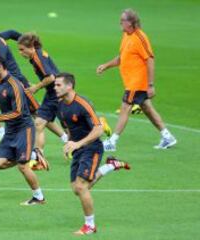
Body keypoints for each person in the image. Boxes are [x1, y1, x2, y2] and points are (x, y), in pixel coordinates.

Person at [0, 29, 65, 157]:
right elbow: (12, 33)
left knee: (38, 114)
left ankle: (65, 138)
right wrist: (26, 42)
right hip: (1, 84)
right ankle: (1, 134)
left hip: (16, 84)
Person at [54, 73, 130, 235]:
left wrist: (78, 144)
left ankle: (90, 225)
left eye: (58, 85)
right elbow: (69, 128)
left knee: (81, 187)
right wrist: (69, 143)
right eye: (55, 85)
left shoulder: (82, 104)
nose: (55, 88)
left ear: (69, 86)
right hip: (78, 148)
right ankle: (110, 166)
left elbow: (99, 129)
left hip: (92, 147)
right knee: (77, 188)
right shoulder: (60, 106)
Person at [17, 32, 112, 157]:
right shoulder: (37, 53)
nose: (20, 53)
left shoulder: (37, 58)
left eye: (22, 50)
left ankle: (39, 158)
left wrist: (36, 87)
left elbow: (51, 77)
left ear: (31, 47)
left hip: (55, 93)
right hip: (54, 92)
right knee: (60, 122)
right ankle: (94, 128)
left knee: (39, 123)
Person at [96, 9, 177, 151]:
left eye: (122, 20)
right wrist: (106, 66)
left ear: (131, 22)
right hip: (131, 81)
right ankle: (167, 136)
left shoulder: (140, 37)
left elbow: (150, 59)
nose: (120, 23)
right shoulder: (126, 35)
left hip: (137, 82)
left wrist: (150, 84)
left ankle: (112, 141)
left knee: (125, 107)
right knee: (147, 108)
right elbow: (122, 57)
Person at [0, 55, 46, 205]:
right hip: (10, 130)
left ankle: (39, 197)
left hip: (24, 128)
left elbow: (18, 112)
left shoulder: (15, 85)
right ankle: (32, 156)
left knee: (23, 166)